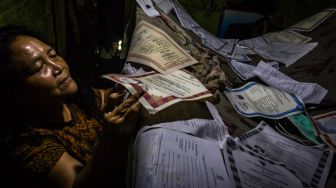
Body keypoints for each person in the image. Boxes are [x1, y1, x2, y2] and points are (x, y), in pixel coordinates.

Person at [0, 25, 142, 188]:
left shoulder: (72, 98)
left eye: (52, 55)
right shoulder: (27, 144)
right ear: (17, 92)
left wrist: (123, 92)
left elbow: (105, 96)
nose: (57, 67)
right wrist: (111, 137)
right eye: (39, 67)